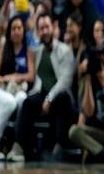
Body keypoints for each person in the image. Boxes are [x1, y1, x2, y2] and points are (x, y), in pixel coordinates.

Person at [15, 13, 76, 160]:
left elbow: (65, 81)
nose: (45, 31)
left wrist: (49, 98)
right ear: (38, 31)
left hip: (60, 96)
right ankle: (24, 149)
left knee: (62, 99)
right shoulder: (38, 52)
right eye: (41, 28)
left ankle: (59, 147)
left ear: (53, 27)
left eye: (47, 27)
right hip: (43, 93)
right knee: (27, 103)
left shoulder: (65, 50)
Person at [0, 16, 35, 161]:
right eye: (13, 28)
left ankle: (17, 144)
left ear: (24, 31)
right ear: (9, 32)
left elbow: (31, 76)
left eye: (19, 28)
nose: (16, 31)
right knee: (9, 102)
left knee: (23, 100)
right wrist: (8, 78)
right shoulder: (2, 50)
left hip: (17, 90)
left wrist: (17, 77)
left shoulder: (28, 52)